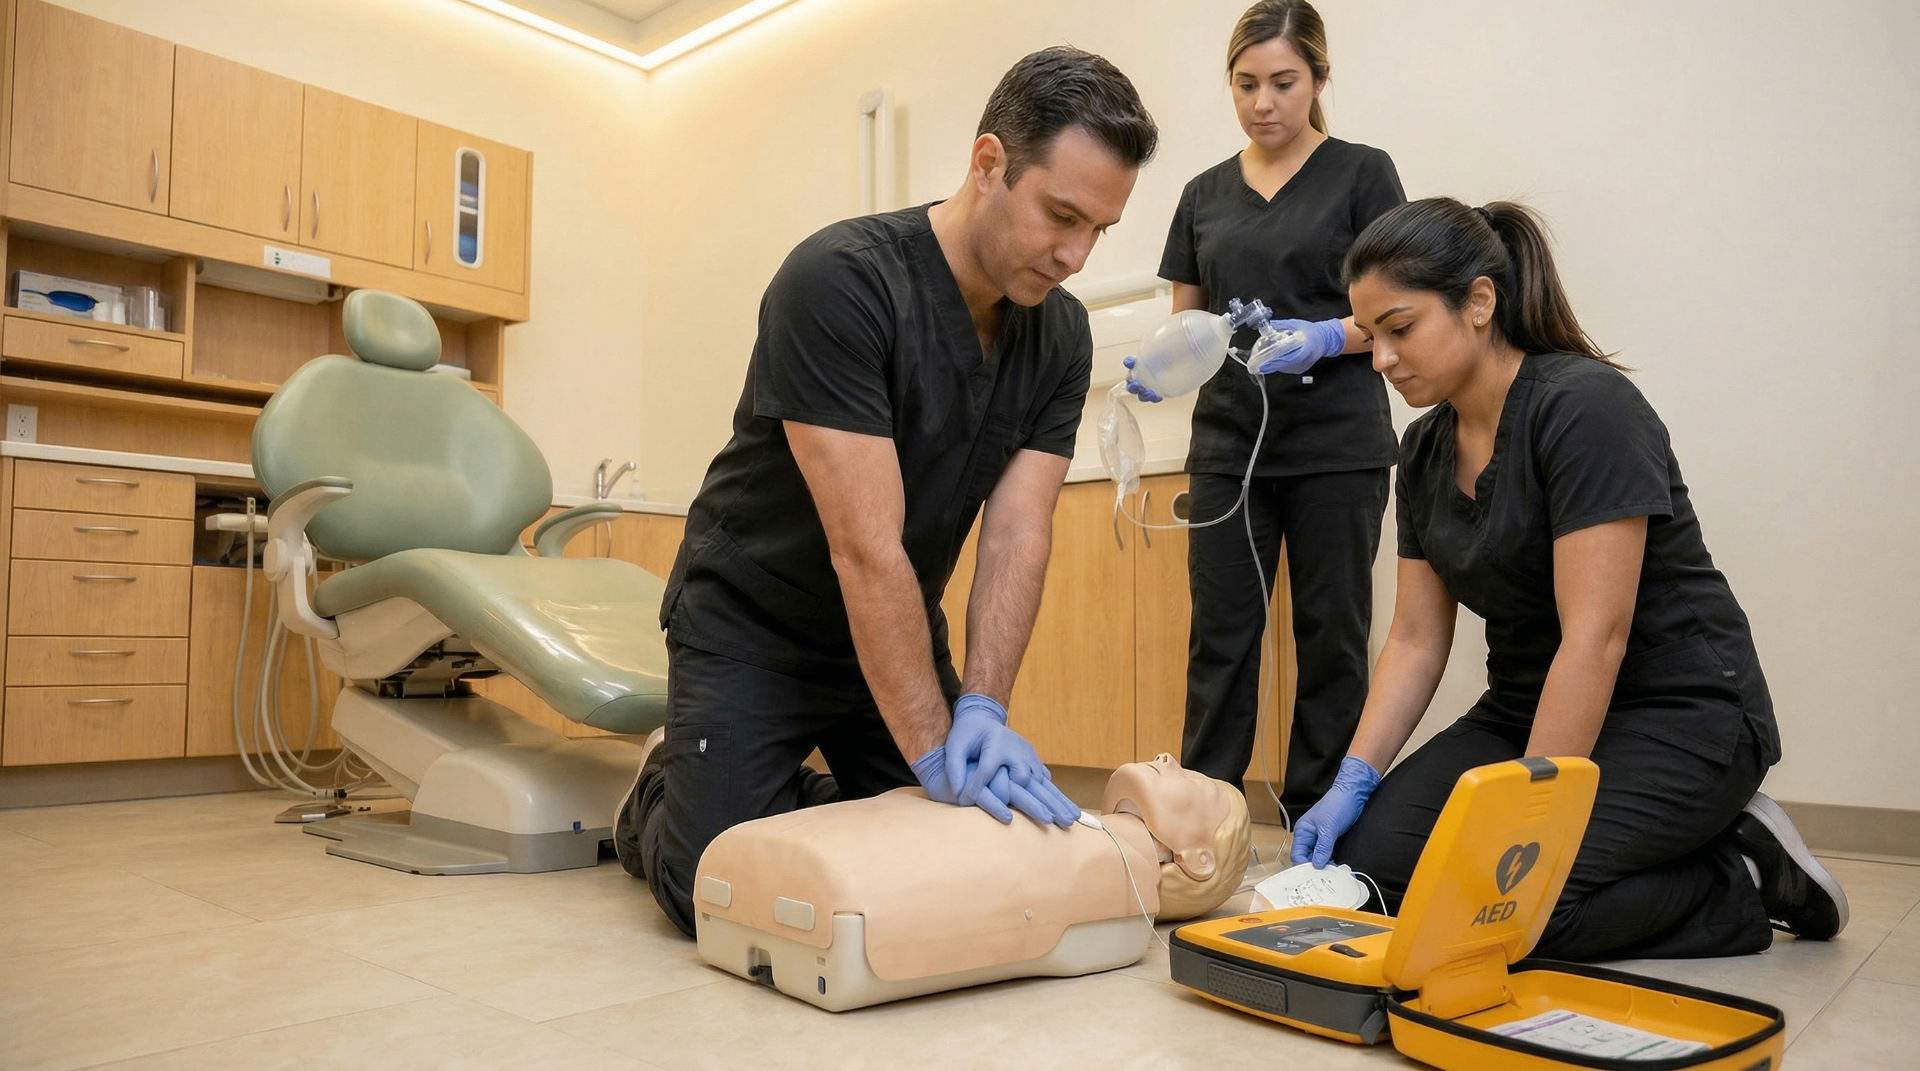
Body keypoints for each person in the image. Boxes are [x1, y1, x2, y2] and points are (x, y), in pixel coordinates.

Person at [612, 47, 1161, 938]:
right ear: (989, 164)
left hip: (890, 627)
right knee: (712, 888)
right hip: (755, 624)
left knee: (954, 853)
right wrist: (933, 752)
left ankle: (787, 799)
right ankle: (664, 782)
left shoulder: (1060, 336)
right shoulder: (840, 282)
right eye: (1061, 215)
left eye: (1099, 229)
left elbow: (1018, 533)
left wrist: (982, 706)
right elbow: (864, 546)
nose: (1074, 254)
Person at [1289, 196, 1848, 959]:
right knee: (1373, 873)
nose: (1380, 358)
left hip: (1677, 711)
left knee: (1501, 910)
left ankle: (1739, 875)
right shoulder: (1422, 450)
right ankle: (1679, 850)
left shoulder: (1585, 408)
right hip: (1524, 707)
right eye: (1370, 335)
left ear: (1479, 302)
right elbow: (1416, 638)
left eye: (1400, 328)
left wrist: (1526, 813)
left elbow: (1596, 636)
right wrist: (1354, 778)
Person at [1144, 0, 1405, 817]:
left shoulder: (1363, 174)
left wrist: (1328, 335)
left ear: (1319, 79)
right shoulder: (1202, 194)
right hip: (1231, 447)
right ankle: (1204, 822)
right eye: (1246, 83)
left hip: (1338, 445)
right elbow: (1188, 322)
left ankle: (1319, 825)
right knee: (1220, 639)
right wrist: (1159, 368)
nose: (1263, 103)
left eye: (1284, 83)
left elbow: (1396, 310)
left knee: (1332, 638)